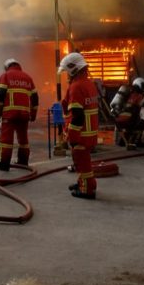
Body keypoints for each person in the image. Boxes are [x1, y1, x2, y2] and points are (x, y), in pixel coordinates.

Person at [58, 52, 99, 200]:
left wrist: (72, 136)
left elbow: (78, 115)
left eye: (67, 72)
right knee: (83, 161)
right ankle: (84, 183)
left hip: (81, 134)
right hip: (90, 132)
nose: (66, 75)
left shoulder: (76, 87)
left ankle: (87, 190)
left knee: (82, 162)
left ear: (73, 69)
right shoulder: (89, 83)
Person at [0, 58, 38, 171]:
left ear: (7, 66)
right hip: (24, 114)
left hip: (9, 113)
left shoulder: (5, 76)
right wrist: (33, 114)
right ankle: (23, 162)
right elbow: (35, 98)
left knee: (6, 139)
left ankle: (4, 164)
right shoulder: (27, 78)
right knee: (23, 139)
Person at [114, 77, 144, 149]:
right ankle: (138, 142)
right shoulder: (139, 96)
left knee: (132, 121)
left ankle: (122, 141)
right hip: (130, 120)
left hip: (118, 119)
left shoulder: (128, 94)